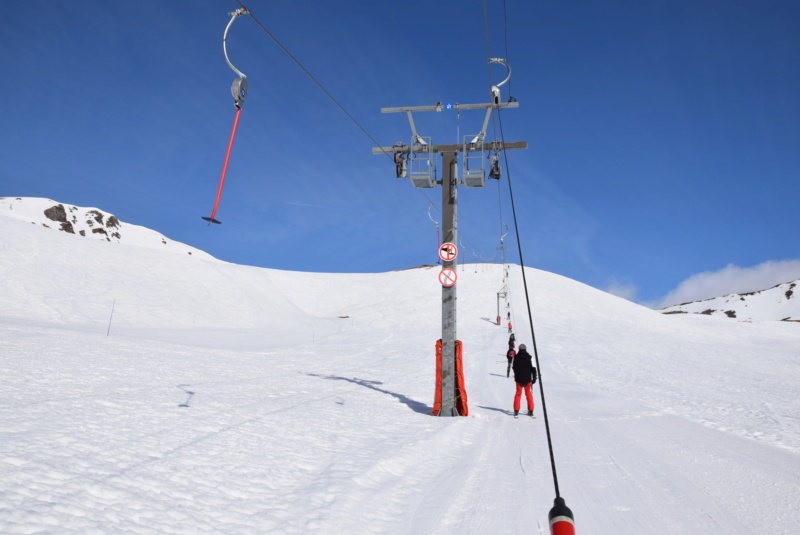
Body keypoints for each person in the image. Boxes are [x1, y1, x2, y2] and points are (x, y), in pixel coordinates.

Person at [512, 343, 537, 417]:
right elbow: (533, 369)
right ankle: (531, 410)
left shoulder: (515, 357)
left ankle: (516, 411)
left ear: (519, 349)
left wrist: (516, 376)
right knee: (528, 394)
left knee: (518, 394)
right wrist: (534, 378)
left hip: (518, 380)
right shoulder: (530, 357)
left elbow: (514, 368)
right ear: (525, 349)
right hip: (528, 380)